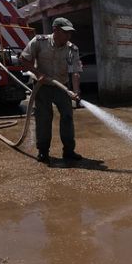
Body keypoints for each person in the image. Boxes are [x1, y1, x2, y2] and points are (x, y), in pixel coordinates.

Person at [19, 17, 83, 163]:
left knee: (67, 116)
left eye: (70, 33)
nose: (68, 36)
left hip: (62, 86)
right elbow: (24, 59)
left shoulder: (72, 49)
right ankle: (43, 152)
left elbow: (75, 72)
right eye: (65, 32)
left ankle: (68, 151)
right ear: (55, 30)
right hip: (43, 87)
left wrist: (76, 91)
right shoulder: (39, 42)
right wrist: (37, 73)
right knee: (44, 118)